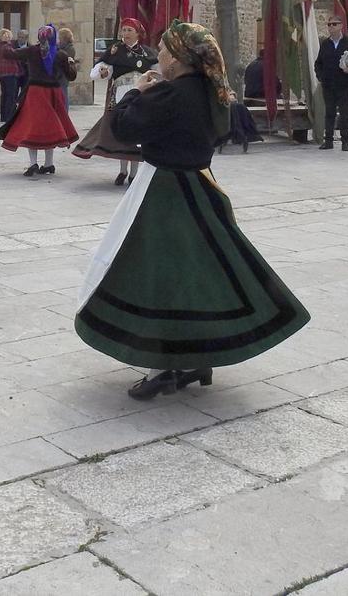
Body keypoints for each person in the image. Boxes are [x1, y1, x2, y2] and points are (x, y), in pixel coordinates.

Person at [74, 20, 311, 400]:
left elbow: (123, 128)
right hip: (199, 186)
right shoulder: (211, 91)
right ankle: (196, 358)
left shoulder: (173, 94)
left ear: (181, 58)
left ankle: (166, 366)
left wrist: (134, 92)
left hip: (166, 193)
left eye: (165, 50)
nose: (160, 55)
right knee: (197, 276)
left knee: (159, 279)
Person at [74, 18, 157, 184]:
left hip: (140, 97)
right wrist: (103, 72)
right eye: (124, 30)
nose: (125, 33)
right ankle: (123, 171)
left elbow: (156, 73)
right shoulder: (115, 50)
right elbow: (101, 70)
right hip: (120, 96)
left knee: (135, 132)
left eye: (129, 30)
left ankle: (134, 173)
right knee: (122, 130)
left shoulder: (147, 53)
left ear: (138, 33)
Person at [0, 24, 78, 177]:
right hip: (53, 93)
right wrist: (71, 63)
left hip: (35, 93)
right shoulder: (61, 54)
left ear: (39, 36)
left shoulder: (32, 51)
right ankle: (49, 164)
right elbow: (71, 76)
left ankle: (33, 164)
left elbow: (9, 54)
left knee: (31, 127)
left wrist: (3, 42)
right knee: (51, 127)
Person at [314, 17, 348, 151]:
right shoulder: (325, 44)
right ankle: (329, 140)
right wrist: (320, 76)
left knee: (344, 113)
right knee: (329, 112)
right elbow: (318, 63)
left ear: (341, 26)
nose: (331, 27)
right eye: (329, 24)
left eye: (334, 24)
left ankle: (345, 141)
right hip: (328, 84)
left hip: (343, 83)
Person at [0, 28, 19, 121]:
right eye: (5, 35)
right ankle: (9, 116)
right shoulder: (6, 47)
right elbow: (14, 54)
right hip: (9, 72)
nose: (7, 37)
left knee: (5, 94)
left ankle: (4, 116)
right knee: (10, 95)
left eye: (8, 35)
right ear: (1, 37)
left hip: (2, 73)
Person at [57, 27, 78, 109]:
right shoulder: (61, 47)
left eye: (59, 37)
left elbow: (64, 59)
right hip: (59, 75)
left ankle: (65, 113)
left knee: (63, 95)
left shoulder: (70, 48)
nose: (58, 39)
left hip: (63, 75)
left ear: (64, 38)